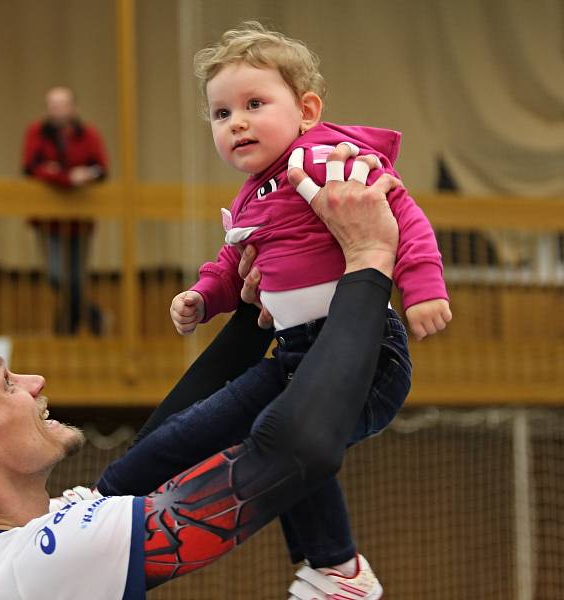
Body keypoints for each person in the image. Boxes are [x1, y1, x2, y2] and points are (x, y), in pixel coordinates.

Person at [0, 161, 403, 599]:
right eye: (6, 384)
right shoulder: (40, 564)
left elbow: (166, 444)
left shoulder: (31, 545)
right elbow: (292, 453)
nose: (34, 382)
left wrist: (249, 310)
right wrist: (368, 261)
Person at [111, 21, 452, 599]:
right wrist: (203, 295)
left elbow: (401, 215)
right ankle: (114, 503)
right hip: (295, 354)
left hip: (366, 357)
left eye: (254, 104)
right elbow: (231, 261)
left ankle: (335, 569)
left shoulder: (320, 159)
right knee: (208, 434)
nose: (236, 122)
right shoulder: (251, 193)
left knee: (278, 437)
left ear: (308, 111)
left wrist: (424, 286)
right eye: (221, 115)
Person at [21, 86, 108, 335]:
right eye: (51, 105)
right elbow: (30, 167)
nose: (55, 110)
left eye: (61, 105)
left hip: (79, 219)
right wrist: (68, 178)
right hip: (49, 220)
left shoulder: (88, 134)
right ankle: (93, 317)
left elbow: (101, 169)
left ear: (73, 108)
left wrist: (57, 173)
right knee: (57, 276)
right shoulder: (37, 132)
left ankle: (65, 330)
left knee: (77, 277)